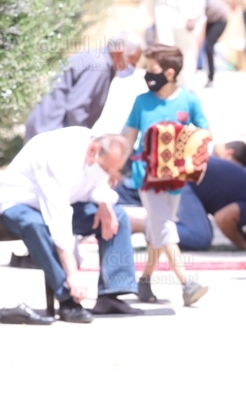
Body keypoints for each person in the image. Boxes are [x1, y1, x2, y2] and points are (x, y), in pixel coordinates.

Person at [0, 128, 141, 323]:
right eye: (107, 169)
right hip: (19, 204)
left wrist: (104, 203)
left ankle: (111, 294)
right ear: (93, 150)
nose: (109, 175)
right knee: (36, 225)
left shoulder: (96, 150)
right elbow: (58, 217)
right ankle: (68, 299)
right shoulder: (55, 153)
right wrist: (73, 273)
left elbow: (96, 184)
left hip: (66, 204)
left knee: (116, 216)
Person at [123, 44, 210, 305]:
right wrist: (114, 167)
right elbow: (128, 138)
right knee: (165, 227)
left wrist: (183, 142)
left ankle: (144, 282)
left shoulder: (189, 100)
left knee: (158, 228)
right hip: (147, 177)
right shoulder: (142, 102)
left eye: (152, 68)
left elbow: (206, 132)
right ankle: (187, 284)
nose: (147, 74)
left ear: (169, 73)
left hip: (175, 178)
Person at [122, 156, 246, 251]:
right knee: (200, 237)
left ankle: (151, 226)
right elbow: (223, 218)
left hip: (182, 172)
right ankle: (138, 225)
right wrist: (244, 244)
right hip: (183, 178)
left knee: (200, 232)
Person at [24, 32, 144, 143]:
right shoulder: (99, 66)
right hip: (51, 131)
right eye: (132, 62)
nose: (132, 67)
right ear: (118, 52)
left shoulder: (96, 58)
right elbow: (77, 109)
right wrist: (81, 141)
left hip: (44, 126)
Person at [153, 0, 206, 88]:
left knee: (187, 54)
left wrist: (193, 16)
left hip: (185, 17)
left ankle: (186, 86)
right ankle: (166, 85)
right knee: (165, 52)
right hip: (164, 13)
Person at [204, 0, 230, 87]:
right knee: (207, 48)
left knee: (208, 47)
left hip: (220, 19)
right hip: (209, 19)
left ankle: (211, 78)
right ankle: (210, 75)